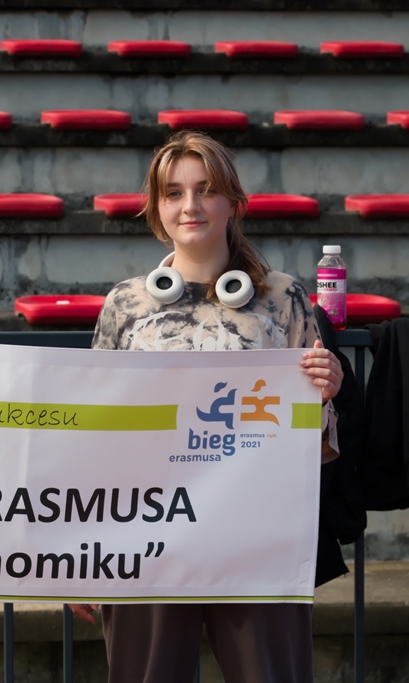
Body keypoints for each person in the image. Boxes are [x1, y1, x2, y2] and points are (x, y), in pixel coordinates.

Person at [68, 130, 343, 683]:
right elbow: (96, 438)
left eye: (206, 190)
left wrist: (324, 391)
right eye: (173, 193)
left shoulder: (283, 298)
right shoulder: (125, 304)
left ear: (233, 203)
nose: (190, 205)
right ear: (157, 210)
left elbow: (314, 441)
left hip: (256, 531)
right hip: (145, 531)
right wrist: (83, 552)